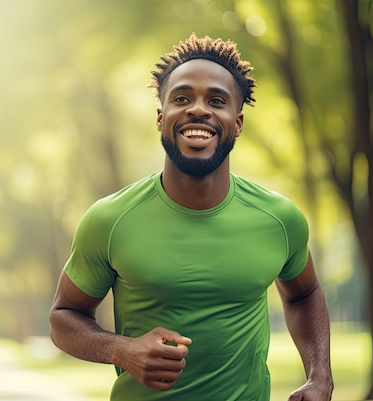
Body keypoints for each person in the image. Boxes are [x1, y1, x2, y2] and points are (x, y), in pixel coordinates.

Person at [49, 34, 333, 401]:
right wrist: (121, 350)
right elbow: (63, 317)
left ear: (238, 122)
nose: (198, 110)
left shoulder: (279, 219)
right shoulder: (110, 219)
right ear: (160, 117)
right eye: (181, 98)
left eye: (217, 100)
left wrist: (319, 376)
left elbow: (305, 293)